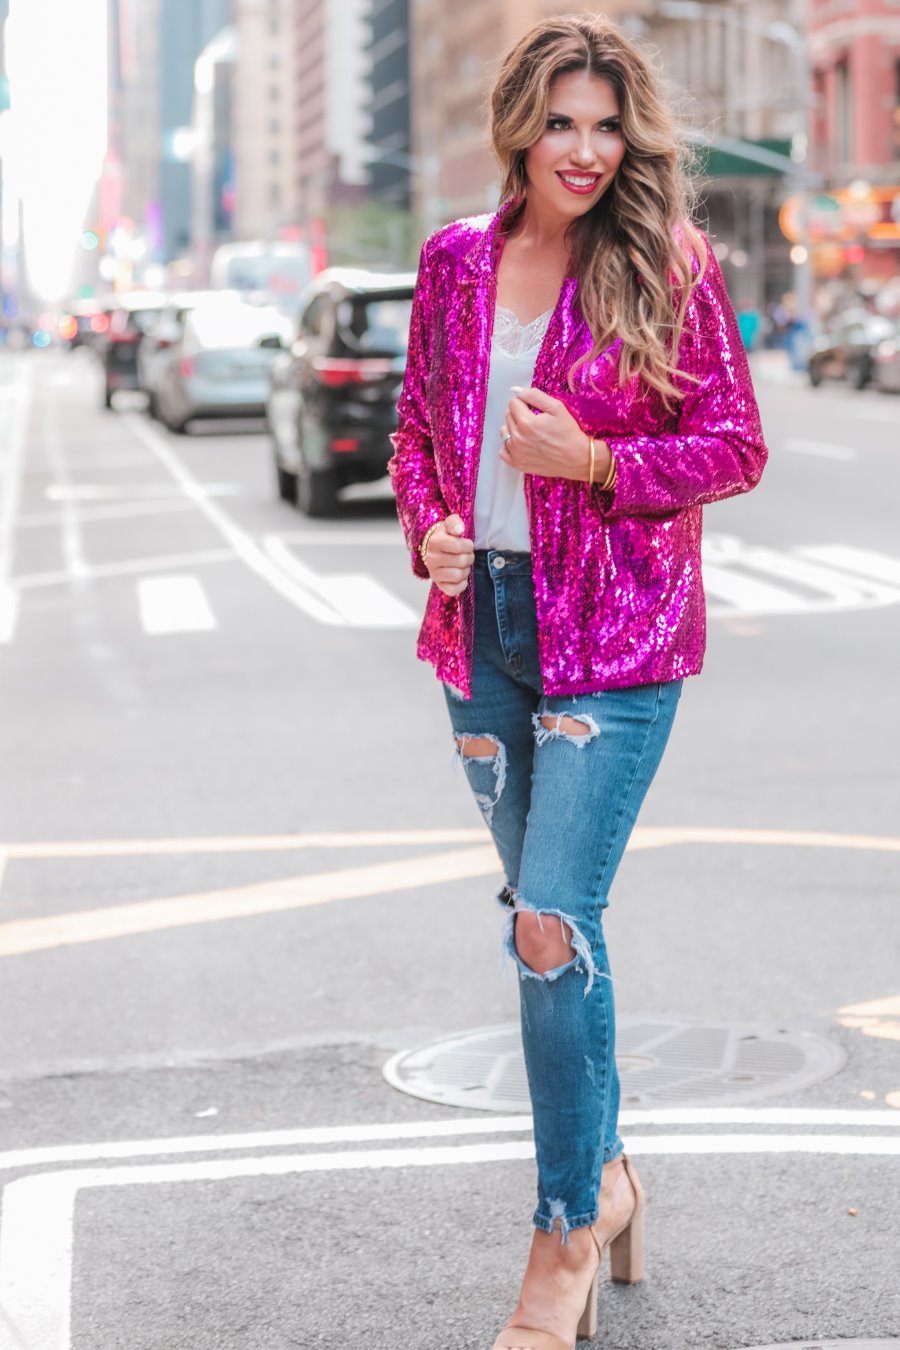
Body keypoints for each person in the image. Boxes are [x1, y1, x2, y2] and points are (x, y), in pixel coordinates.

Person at [389, 15, 767, 1350]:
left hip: (615, 638)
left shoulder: (667, 264)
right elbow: (418, 433)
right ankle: (607, 1178)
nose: (587, 150)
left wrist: (597, 461)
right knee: (555, 933)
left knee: (549, 921)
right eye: (562, 122)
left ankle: (562, 1241)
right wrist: (432, 526)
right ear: (519, 127)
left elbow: (735, 443)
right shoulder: (455, 262)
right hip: (484, 629)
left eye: (607, 126)